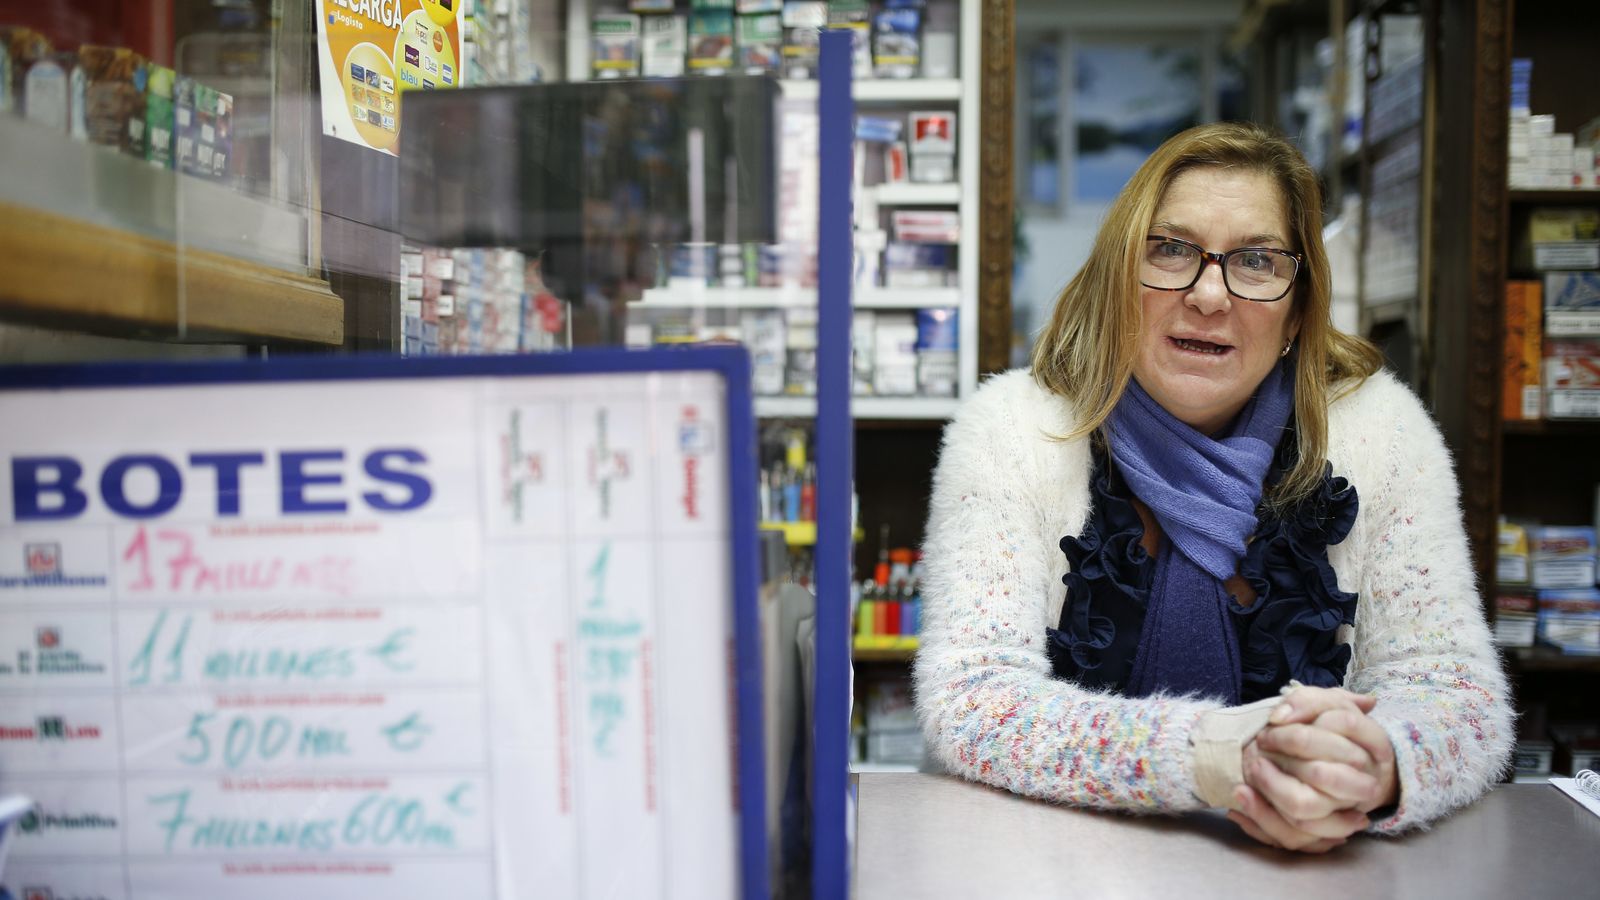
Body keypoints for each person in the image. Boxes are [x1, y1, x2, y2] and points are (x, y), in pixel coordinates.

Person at [913, 121, 1512, 852]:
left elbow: (1459, 696)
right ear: (1116, 279)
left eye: (1256, 261)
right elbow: (973, 700)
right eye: (1170, 249)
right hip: (1049, 868)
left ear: (1298, 310)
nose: (1207, 294)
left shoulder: (1383, 434)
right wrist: (1212, 758)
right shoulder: (1011, 432)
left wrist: (1375, 765)